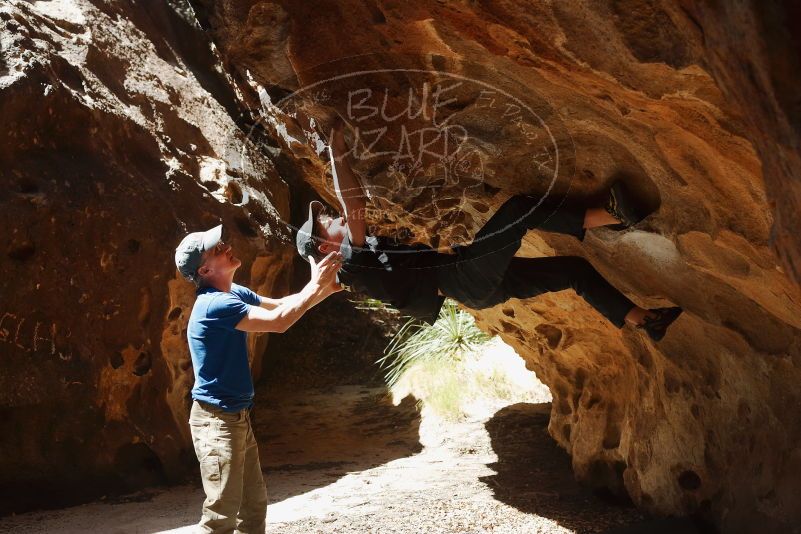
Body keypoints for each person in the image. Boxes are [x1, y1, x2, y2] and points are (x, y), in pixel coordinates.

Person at [295, 119, 682, 342]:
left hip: (469, 281)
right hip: (463, 279)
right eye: (325, 221)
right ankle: (613, 216)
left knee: (573, 272)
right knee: (517, 211)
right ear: (325, 245)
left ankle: (646, 321)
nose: (333, 216)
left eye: (326, 214)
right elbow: (353, 202)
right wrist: (336, 149)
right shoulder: (352, 264)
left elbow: (353, 210)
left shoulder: (357, 264)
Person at [174, 224, 342, 533]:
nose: (226, 246)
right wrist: (315, 286)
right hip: (216, 422)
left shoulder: (232, 292)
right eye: (217, 249)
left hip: (237, 417)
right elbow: (278, 323)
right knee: (220, 517)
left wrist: (322, 289)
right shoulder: (215, 304)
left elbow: (280, 305)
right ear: (206, 268)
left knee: (252, 513)